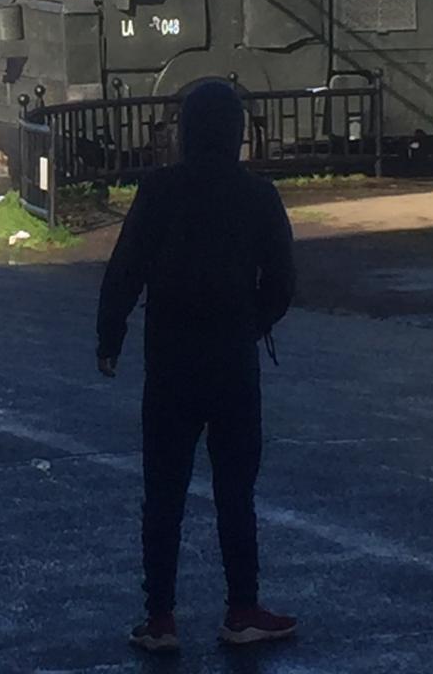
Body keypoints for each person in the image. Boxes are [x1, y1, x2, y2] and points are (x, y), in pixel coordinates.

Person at [96, 79, 296, 653]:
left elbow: (125, 268)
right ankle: (242, 609)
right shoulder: (259, 196)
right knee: (236, 489)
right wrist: (252, 321)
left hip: (170, 360)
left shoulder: (159, 191)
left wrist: (110, 337)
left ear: (185, 132)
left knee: (164, 492)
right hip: (232, 360)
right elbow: (283, 281)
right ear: (236, 133)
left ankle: (159, 617)